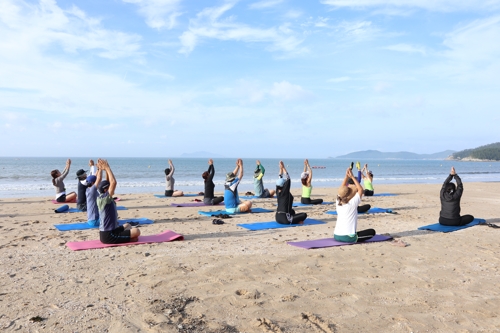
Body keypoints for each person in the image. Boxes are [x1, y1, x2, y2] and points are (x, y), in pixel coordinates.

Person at [97, 159, 140, 244]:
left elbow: (109, 182)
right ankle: (128, 238)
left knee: (127, 225)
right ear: (106, 190)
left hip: (113, 230)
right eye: (108, 188)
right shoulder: (104, 199)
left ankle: (127, 237)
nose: (111, 189)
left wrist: (105, 170)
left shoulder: (103, 196)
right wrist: (108, 168)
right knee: (137, 231)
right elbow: (113, 182)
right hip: (109, 235)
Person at [334, 168, 376, 243]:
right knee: (372, 232)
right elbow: (360, 189)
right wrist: (352, 177)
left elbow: (342, 189)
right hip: (347, 237)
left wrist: (346, 176)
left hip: (336, 235)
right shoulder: (352, 204)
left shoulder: (338, 201)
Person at [85, 160, 104, 227]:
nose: (97, 183)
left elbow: (95, 177)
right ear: (93, 183)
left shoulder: (88, 189)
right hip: (94, 221)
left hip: (91, 220)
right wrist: (101, 167)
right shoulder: (92, 190)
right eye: (95, 182)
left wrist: (98, 168)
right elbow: (99, 178)